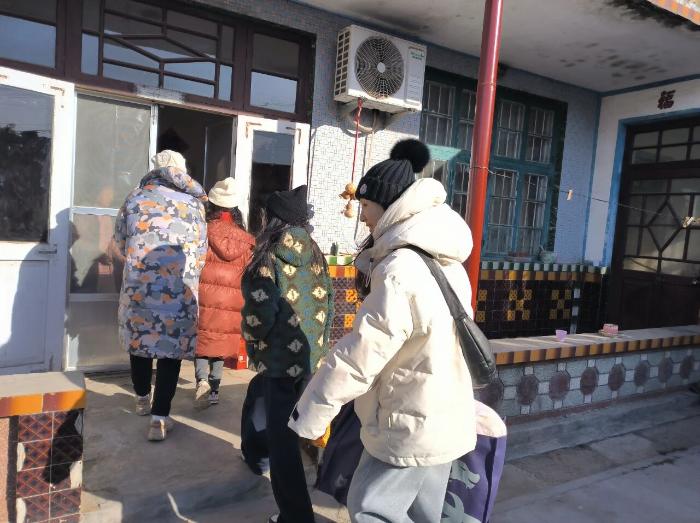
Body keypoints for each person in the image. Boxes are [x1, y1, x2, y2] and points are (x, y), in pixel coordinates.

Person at [288, 140, 478, 523]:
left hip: (408, 421)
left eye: (365, 206)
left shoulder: (400, 269)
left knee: (370, 510)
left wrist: (311, 414)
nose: (362, 217)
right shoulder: (447, 261)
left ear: (388, 205)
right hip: (443, 416)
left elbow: (360, 356)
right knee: (424, 516)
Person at [241, 185, 333, 523]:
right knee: (260, 398)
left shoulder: (267, 257)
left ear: (273, 219)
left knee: (284, 444)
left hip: (279, 362)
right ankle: (256, 454)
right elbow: (330, 303)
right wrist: (320, 348)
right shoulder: (316, 253)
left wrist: (253, 344)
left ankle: (295, 516)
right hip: (310, 358)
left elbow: (258, 316)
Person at [114, 150, 207, 442]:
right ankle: (159, 419)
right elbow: (201, 253)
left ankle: (142, 399)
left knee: (140, 343)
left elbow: (119, 242)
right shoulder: (194, 204)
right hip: (179, 290)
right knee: (171, 351)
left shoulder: (134, 198)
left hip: (140, 285)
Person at [194, 177, 254, 408]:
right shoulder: (246, 239)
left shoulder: (203, 230)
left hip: (205, 292)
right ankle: (214, 390)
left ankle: (201, 380)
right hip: (232, 298)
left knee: (203, 338)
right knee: (219, 343)